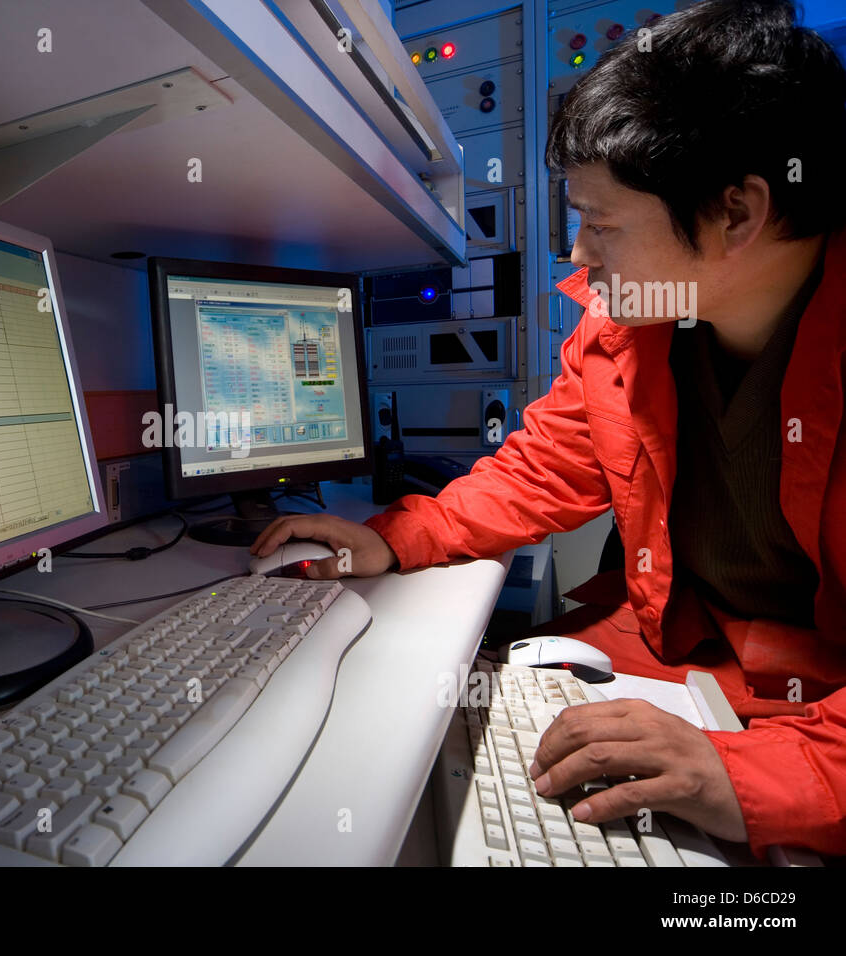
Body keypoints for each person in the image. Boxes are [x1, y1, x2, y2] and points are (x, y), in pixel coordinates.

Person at [251, 0, 846, 858]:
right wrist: (399, 536)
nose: (578, 255)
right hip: (681, 658)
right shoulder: (633, 323)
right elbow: (541, 469)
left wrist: (752, 779)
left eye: (601, 224)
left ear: (736, 216)